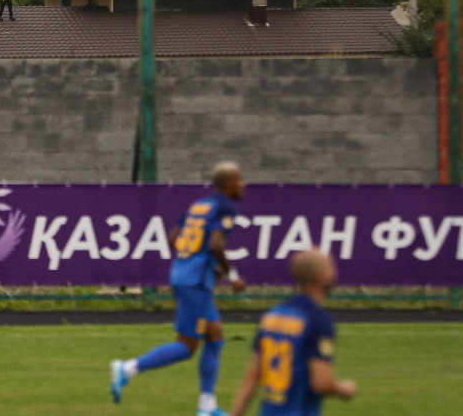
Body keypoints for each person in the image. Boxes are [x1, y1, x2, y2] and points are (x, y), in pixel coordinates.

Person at [110, 161, 247, 416]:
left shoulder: (200, 205)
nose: (243, 184)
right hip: (194, 283)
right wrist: (232, 275)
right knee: (186, 347)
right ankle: (127, 369)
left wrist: (192, 261)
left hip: (186, 275)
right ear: (228, 183)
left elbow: (173, 238)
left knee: (215, 336)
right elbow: (216, 244)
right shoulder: (226, 207)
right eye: (239, 179)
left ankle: (207, 406)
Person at [228, 249, 356, 416]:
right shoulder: (317, 320)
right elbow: (321, 383)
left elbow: (251, 378)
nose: (335, 272)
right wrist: (343, 389)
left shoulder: (273, 315)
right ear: (320, 276)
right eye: (330, 268)